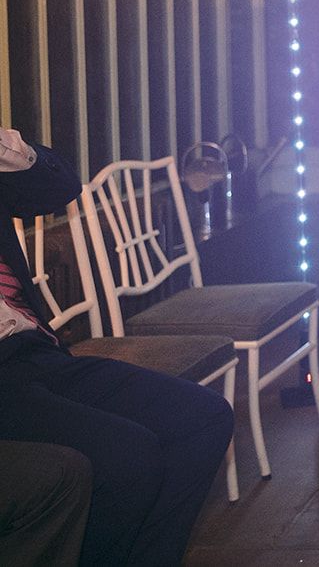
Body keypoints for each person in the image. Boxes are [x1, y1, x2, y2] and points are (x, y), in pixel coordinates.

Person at [0, 127, 234, 566]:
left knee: (205, 417)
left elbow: (59, 186)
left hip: (36, 351)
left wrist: (6, 149)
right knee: (129, 457)